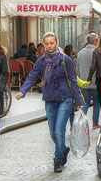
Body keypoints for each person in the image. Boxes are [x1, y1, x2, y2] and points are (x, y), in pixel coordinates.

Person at [16, 32, 84, 173]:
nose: (49, 46)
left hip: (65, 98)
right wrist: (23, 91)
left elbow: (73, 80)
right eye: (46, 44)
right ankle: (63, 149)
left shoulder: (66, 60)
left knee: (59, 132)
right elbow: (32, 76)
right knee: (53, 134)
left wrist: (78, 101)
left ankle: (57, 160)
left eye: (51, 43)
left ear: (56, 43)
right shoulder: (41, 61)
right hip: (49, 98)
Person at [77, 33, 100, 128]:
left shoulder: (80, 52)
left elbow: (77, 68)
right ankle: (95, 123)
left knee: (86, 102)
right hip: (95, 82)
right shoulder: (97, 51)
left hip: (84, 83)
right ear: (95, 41)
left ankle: (82, 121)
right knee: (96, 103)